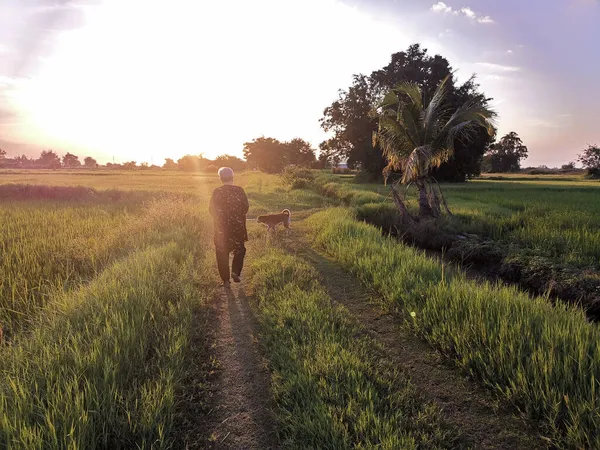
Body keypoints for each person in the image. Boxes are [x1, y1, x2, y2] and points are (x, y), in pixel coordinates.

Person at [209, 167, 249, 288]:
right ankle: (235, 272)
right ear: (232, 177)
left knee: (221, 253)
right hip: (238, 227)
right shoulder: (239, 190)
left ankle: (225, 280)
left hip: (221, 229)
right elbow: (245, 208)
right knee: (240, 250)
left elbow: (211, 210)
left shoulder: (217, 192)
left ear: (220, 178)